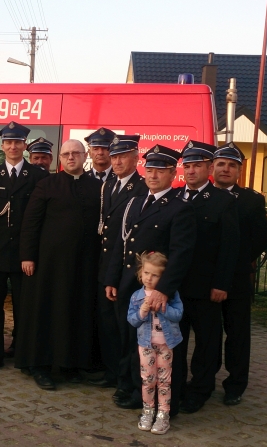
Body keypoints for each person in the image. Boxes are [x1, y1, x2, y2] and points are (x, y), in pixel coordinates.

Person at [104, 144, 196, 410]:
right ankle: (130, 386)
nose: (153, 175)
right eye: (150, 169)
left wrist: (163, 290)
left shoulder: (179, 208)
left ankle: (165, 398)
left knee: (160, 345)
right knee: (129, 339)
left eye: (160, 171)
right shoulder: (136, 202)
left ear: (172, 174)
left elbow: (181, 254)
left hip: (155, 290)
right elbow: (122, 244)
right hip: (129, 284)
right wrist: (112, 279)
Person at [16, 139, 101, 390]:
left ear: (85, 156)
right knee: (46, 312)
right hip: (49, 265)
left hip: (84, 265)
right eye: (66, 154)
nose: (71, 157)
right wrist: (27, 256)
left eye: (76, 153)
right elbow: (31, 223)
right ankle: (40, 366)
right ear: (59, 159)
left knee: (77, 312)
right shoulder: (46, 184)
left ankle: (69, 364)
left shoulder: (98, 186)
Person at [173, 140, 240, 415]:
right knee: (175, 341)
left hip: (205, 287)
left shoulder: (224, 201)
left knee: (206, 343)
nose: (190, 171)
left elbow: (229, 247)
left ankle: (200, 389)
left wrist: (221, 284)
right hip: (176, 286)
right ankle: (175, 386)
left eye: (197, 166)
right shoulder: (175, 197)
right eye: (187, 166)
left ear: (209, 168)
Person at [0, 121, 49, 374]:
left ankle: (24, 355)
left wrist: (34, 254)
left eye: (18, 142)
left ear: (25, 146)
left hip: (24, 255)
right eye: (8, 142)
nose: (13, 146)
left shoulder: (39, 176)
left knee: (25, 308)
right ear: (3, 146)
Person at [212, 143, 267, 406]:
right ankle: (203, 379)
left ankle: (235, 385)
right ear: (212, 167)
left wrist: (234, 263)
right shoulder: (200, 195)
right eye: (221, 164)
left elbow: (260, 239)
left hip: (236, 279)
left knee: (237, 335)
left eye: (231, 165)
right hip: (204, 278)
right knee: (208, 334)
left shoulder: (251, 200)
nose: (226, 169)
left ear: (239, 171)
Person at [91, 135, 148, 399]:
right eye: (113, 157)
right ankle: (113, 372)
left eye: (122, 156)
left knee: (126, 328)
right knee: (108, 324)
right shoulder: (109, 185)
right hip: (106, 266)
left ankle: (128, 378)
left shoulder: (142, 188)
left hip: (127, 268)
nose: (116, 162)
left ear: (136, 158)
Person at [127, 251, 183, 435]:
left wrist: (163, 306)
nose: (149, 278)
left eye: (155, 275)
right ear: (140, 272)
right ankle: (148, 411)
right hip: (146, 345)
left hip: (166, 344)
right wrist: (142, 312)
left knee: (164, 381)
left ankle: (163, 415)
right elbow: (132, 320)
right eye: (146, 273)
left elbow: (178, 315)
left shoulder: (172, 294)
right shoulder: (136, 296)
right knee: (148, 380)